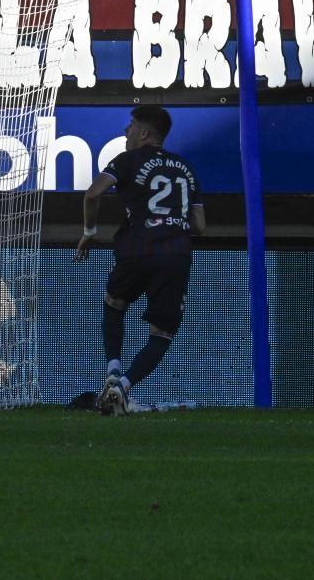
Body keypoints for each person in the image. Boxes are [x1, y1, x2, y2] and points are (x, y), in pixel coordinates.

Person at [76, 106, 203, 416]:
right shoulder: (185, 168)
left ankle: (113, 370)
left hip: (138, 248)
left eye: (131, 126)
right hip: (175, 254)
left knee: (114, 302)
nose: (126, 132)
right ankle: (124, 386)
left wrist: (90, 231)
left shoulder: (126, 161)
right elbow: (200, 225)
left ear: (144, 133)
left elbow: (92, 195)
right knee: (162, 333)